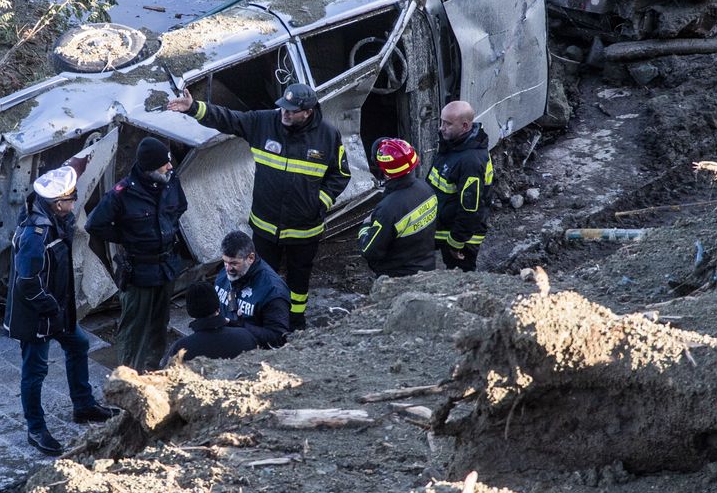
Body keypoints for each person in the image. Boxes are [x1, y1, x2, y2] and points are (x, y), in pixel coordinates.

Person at [167, 83, 349, 330]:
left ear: (308, 112)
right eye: (283, 107)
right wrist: (194, 108)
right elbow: (229, 119)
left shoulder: (328, 135)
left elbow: (340, 174)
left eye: (291, 110)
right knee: (259, 278)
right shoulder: (264, 122)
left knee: (298, 282)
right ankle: (261, 324)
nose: (284, 113)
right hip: (265, 226)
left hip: (304, 230)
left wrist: (319, 203)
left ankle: (295, 324)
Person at [4, 159, 120, 456]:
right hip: (39, 316)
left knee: (79, 344)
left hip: (57, 310)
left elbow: (71, 170)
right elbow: (27, 283)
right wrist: (52, 308)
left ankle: (83, 405)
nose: (75, 202)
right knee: (35, 371)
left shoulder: (52, 217)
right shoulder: (36, 235)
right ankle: (36, 429)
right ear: (57, 204)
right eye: (71, 198)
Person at [86, 137, 188, 373]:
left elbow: (180, 207)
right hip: (139, 272)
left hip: (166, 267)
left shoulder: (171, 181)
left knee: (160, 324)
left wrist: (165, 230)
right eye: (164, 164)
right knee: (134, 329)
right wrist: (128, 237)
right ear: (149, 167)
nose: (170, 167)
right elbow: (95, 225)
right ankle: (128, 377)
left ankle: (152, 370)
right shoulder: (122, 194)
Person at [357, 138, 438, 278]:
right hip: (427, 267)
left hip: (398, 278)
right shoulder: (426, 189)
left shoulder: (388, 209)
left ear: (385, 173)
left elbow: (369, 250)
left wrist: (365, 226)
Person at [429, 100, 492, 271]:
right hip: (447, 225)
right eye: (441, 122)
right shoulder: (454, 145)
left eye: (447, 124)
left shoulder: (470, 161)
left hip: (462, 237)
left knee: (462, 278)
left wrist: (456, 242)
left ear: (465, 126)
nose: (441, 128)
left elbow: (470, 208)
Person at [212, 230, 291, 348]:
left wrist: (242, 327)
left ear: (250, 258)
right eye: (225, 262)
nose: (227, 268)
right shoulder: (226, 274)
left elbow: (279, 338)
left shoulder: (272, 291)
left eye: (234, 263)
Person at [164, 281, 257, 365]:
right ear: (218, 308)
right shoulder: (246, 336)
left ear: (190, 312)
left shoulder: (180, 349)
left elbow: (165, 373)